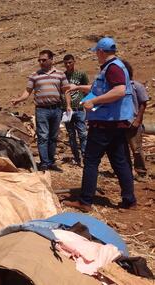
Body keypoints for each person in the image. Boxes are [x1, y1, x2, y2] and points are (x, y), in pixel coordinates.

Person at [64, 37, 136, 212]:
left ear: (102, 52)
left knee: (91, 161)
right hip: (114, 123)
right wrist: (79, 88)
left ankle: (85, 201)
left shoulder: (113, 68)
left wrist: (93, 102)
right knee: (120, 162)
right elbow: (100, 88)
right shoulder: (113, 67)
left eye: (96, 52)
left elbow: (119, 91)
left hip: (104, 124)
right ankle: (129, 201)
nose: (96, 55)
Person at [11, 50, 71, 172]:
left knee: (53, 137)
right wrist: (19, 99)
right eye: (39, 60)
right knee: (43, 136)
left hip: (56, 109)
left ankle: (51, 161)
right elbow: (27, 91)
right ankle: (44, 163)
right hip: (42, 110)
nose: (41, 62)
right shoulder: (34, 75)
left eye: (44, 60)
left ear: (51, 60)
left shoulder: (60, 74)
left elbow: (66, 91)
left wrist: (68, 106)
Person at [122, 60, 150, 180]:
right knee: (122, 150)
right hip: (120, 123)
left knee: (137, 149)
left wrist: (138, 120)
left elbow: (143, 104)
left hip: (133, 122)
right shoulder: (117, 88)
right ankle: (126, 171)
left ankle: (141, 172)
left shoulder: (136, 86)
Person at [63, 54, 89, 166]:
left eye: (70, 62)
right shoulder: (62, 76)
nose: (68, 65)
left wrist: (85, 102)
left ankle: (85, 157)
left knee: (83, 134)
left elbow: (86, 88)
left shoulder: (81, 74)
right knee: (71, 135)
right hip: (67, 110)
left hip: (79, 108)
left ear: (74, 62)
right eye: (66, 63)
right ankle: (76, 158)